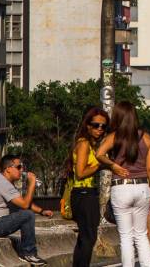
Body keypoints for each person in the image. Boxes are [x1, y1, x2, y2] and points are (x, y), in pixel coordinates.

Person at [95, 101, 150, 267]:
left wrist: (113, 165)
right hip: (142, 187)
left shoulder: (113, 137)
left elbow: (99, 154)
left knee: (126, 237)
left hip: (121, 188)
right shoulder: (146, 137)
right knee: (141, 235)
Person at [0, 154, 53, 265]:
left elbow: (21, 202)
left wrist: (41, 211)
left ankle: (26, 251)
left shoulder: (4, 182)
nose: (21, 170)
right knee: (27, 215)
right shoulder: (2, 184)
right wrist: (31, 184)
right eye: (18, 167)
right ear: (8, 169)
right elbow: (25, 205)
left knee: (26, 213)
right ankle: (29, 253)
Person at [66, 106, 109, 267]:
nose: (100, 129)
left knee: (85, 237)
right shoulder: (83, 144)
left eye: (103, 126)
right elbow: (81, 173)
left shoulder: (91, 144)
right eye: (96, 125)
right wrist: (100, 165)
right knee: (88, 237)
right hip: (83, 193)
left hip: (87, 193)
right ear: (87, 125)